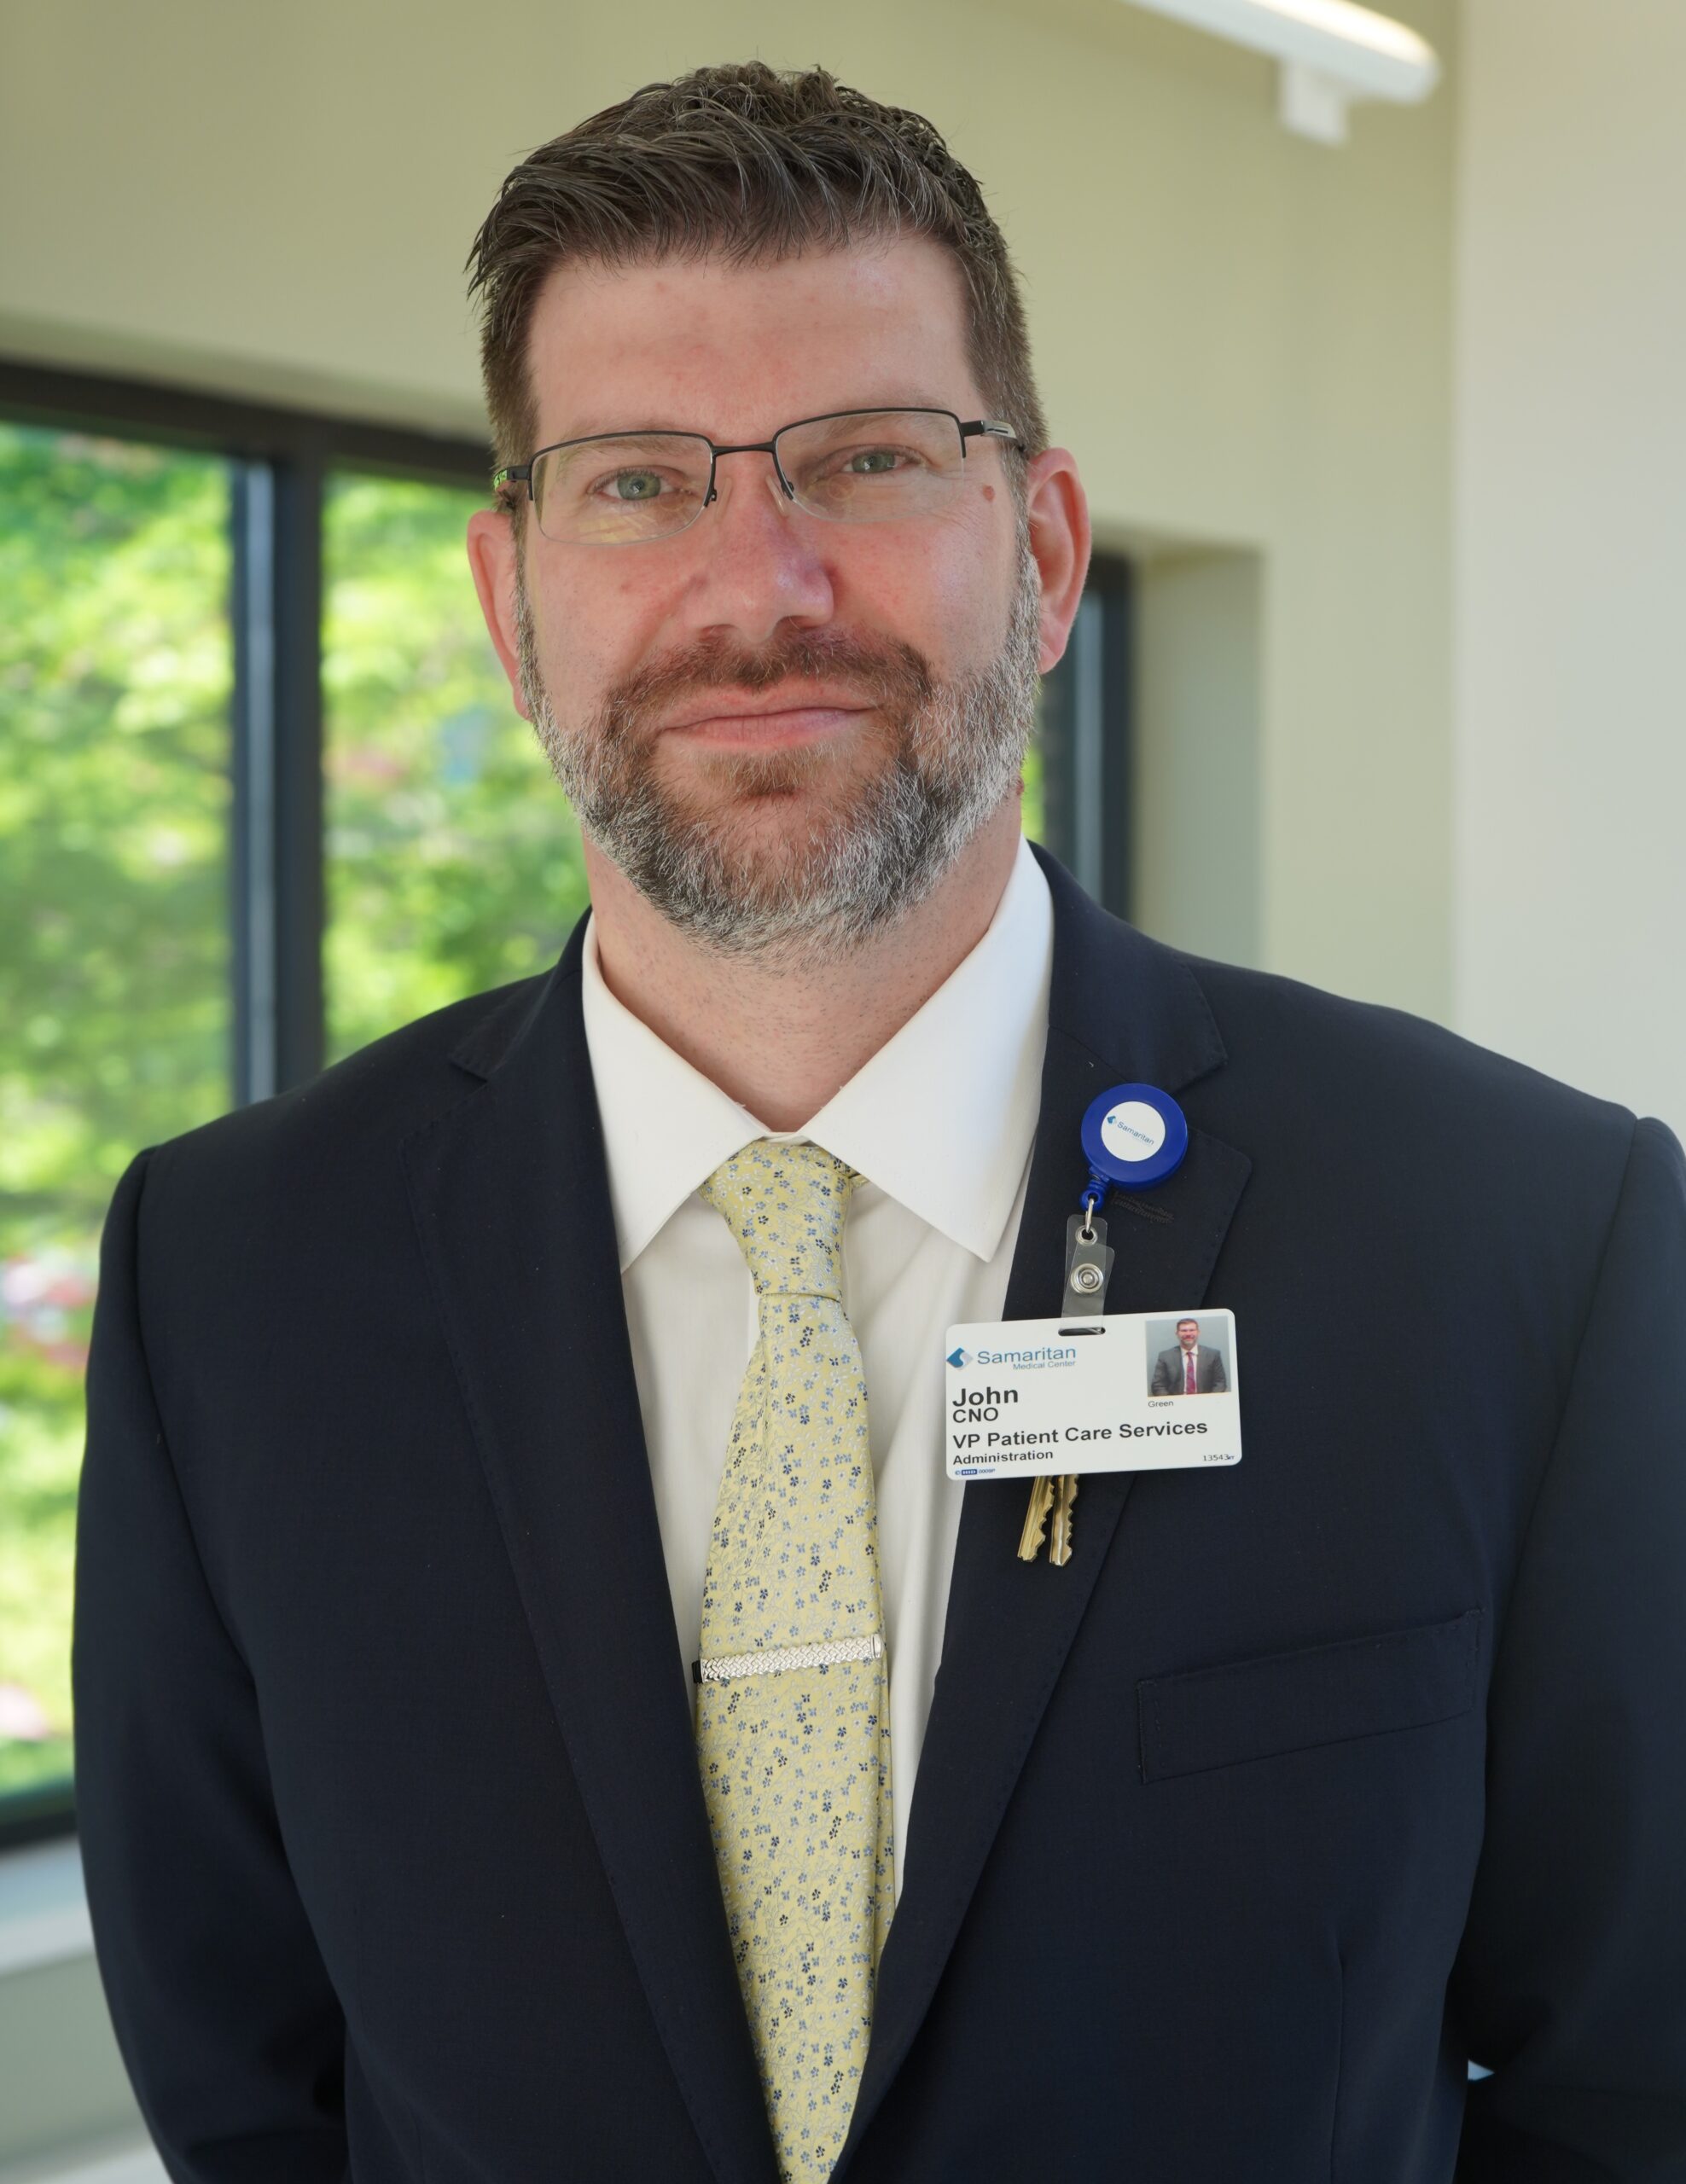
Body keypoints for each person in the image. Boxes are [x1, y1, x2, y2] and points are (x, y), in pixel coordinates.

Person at [72, 59, 1686, 2184]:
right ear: (507, 595)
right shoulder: (234, 1272)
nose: (762, 583)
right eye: (639, 481)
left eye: (865, 457)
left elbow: (1627, 2072)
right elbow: (246, 2083)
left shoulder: (1521, 1235)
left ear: (1041, 549)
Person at [1150, 1315, 1227, 1395]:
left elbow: (1220, 1383)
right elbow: (1157, 1386)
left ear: (1198, 1332)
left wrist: (1209, 1403)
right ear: (1177, 1333)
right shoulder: (1165, 1356)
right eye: (1184, 1330)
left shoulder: (1213, 1355)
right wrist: (1173, 1404)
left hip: (1206, 1403)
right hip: (1176, 1404)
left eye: (1192, 1330)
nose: (1188, 1334)